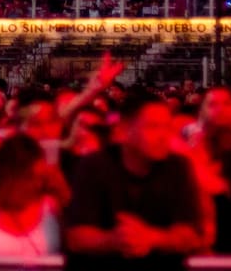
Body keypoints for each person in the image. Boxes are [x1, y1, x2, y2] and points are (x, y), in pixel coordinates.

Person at [63, 89, 209, 271]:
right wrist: (114, 240)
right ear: (124, 130)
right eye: (153, 127)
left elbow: (192, 234)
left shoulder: (177, 167)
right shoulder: (93, 166)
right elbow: (76, 237)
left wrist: (151, 237)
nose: (163, 136)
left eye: (167, 127)